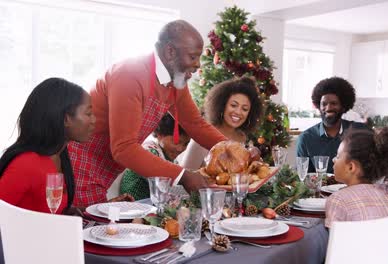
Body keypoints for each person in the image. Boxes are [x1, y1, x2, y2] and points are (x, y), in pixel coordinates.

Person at [68, 20, 227, 207]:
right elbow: (124, 148)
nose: (198, 64)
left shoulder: (175, 81)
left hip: (103, 170)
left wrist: (233, 149)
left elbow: (195, 124)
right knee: (79, 231)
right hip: (76, 166)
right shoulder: (129, 74)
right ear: (170, 52)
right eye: (193, 57)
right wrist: (182, 176)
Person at [0, 78, 95, 214]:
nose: (94, 120)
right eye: (88, 114)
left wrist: (96, 210)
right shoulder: (27, 163)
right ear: (65, 119)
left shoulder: (59, 155)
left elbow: (49, 211)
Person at [325, 127, 388, 228]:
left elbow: (334, 242)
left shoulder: (338, 200)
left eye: (338, 156)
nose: (333, 160)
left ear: (351, 167)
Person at [180, 76, 263, 170]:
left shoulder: (241, 137)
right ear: (222, 105)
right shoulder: (203, 134)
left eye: (244, 109)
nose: (238, 112)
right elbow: (184, 176)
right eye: (233, 105)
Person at [296, 77, 368, 173]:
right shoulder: (306, 138)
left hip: (354, 187)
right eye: (324, 104)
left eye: (334, 103)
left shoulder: (359, 131)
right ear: (318, 106)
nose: (328, 108)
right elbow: (303, 175)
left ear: (343, 106)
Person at [119, 114, 190, 200]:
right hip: (134, 205)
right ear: (160, 135)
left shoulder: (171, 159)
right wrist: (190, 183)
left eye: (186, 144)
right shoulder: (150, 152)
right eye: (176, 142)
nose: (180, 149)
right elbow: (163, 187)